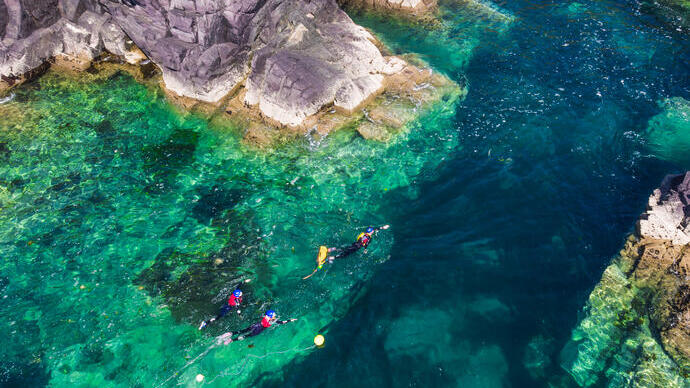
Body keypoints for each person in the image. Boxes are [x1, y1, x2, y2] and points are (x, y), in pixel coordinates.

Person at [217, 310, 297, 345]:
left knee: (243, 330)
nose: (275, 316)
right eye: (273, 315)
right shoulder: (271, 321)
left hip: (256, 324)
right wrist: (290, 320)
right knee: (247, 336)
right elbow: (281, 322)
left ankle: (231, 333)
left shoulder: (265, 317)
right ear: (270, 316)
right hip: (259, 329)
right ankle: (231, 340)